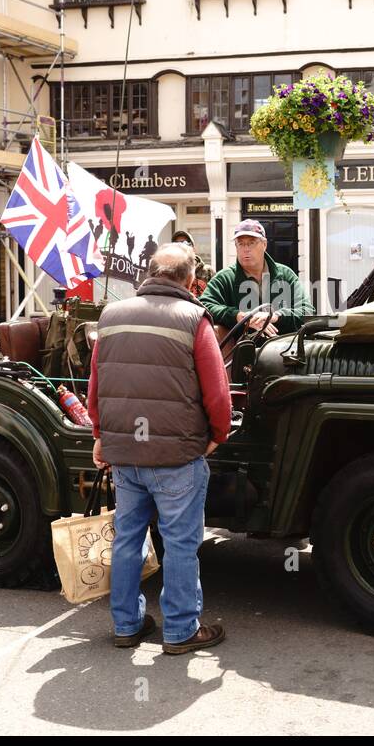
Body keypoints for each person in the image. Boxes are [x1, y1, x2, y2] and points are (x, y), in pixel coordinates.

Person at [89, 243, 232, 654]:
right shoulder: (194, 319)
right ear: (190, 281)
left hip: (125, 455)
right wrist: (217, 434)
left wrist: (101, 433)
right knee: (181, 543)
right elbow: (217, 392)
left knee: (127, 539)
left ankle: (126, 624)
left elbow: (96, 384)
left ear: (147, 274)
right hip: (176, 457)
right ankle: (181, 629)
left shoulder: (111, 315)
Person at [201, 219, 313, 337]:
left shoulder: (286, 275)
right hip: (240, 352)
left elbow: (306, 310)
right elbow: (204, 305)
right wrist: (239, 316)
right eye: (240, 243)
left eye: (251, 243)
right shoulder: (225, 278)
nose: (246, 249)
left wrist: (275, 317)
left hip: (283, 350)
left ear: (264, 245)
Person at [171, 228, 213, 298]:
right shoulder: (169, 273)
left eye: (185, 243)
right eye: (177, 244)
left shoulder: (208, 271)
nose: (181, 247)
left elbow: (214, 298)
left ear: (193, 248)